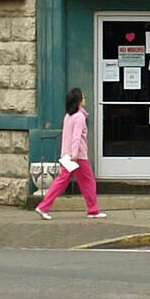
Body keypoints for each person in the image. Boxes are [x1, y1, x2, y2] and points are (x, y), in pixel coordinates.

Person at [35, 87, 105, 218]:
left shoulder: (68, 116)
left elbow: (67, 136)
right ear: (78, 100)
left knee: (61, 181)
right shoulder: (79, 117)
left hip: (67, 155)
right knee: (88, 181)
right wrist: (75, 154)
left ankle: (43, 206)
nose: (85, 99)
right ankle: (93, 210)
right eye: (83, 97)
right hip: (77, 156)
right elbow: (76, 137)